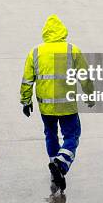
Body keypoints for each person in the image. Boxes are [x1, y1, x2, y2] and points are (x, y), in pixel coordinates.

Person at [21, 15, 94, 191]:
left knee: (51, 135)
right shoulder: (72, 50)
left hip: (46, 106)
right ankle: (61, 164)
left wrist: (25, 101)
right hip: (67, 105)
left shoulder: (35, 52)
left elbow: (27, 80)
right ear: (62, 31)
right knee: (72, 135)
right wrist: (90, 95)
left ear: (45, 32)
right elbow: (84, 77)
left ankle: (55, 163)